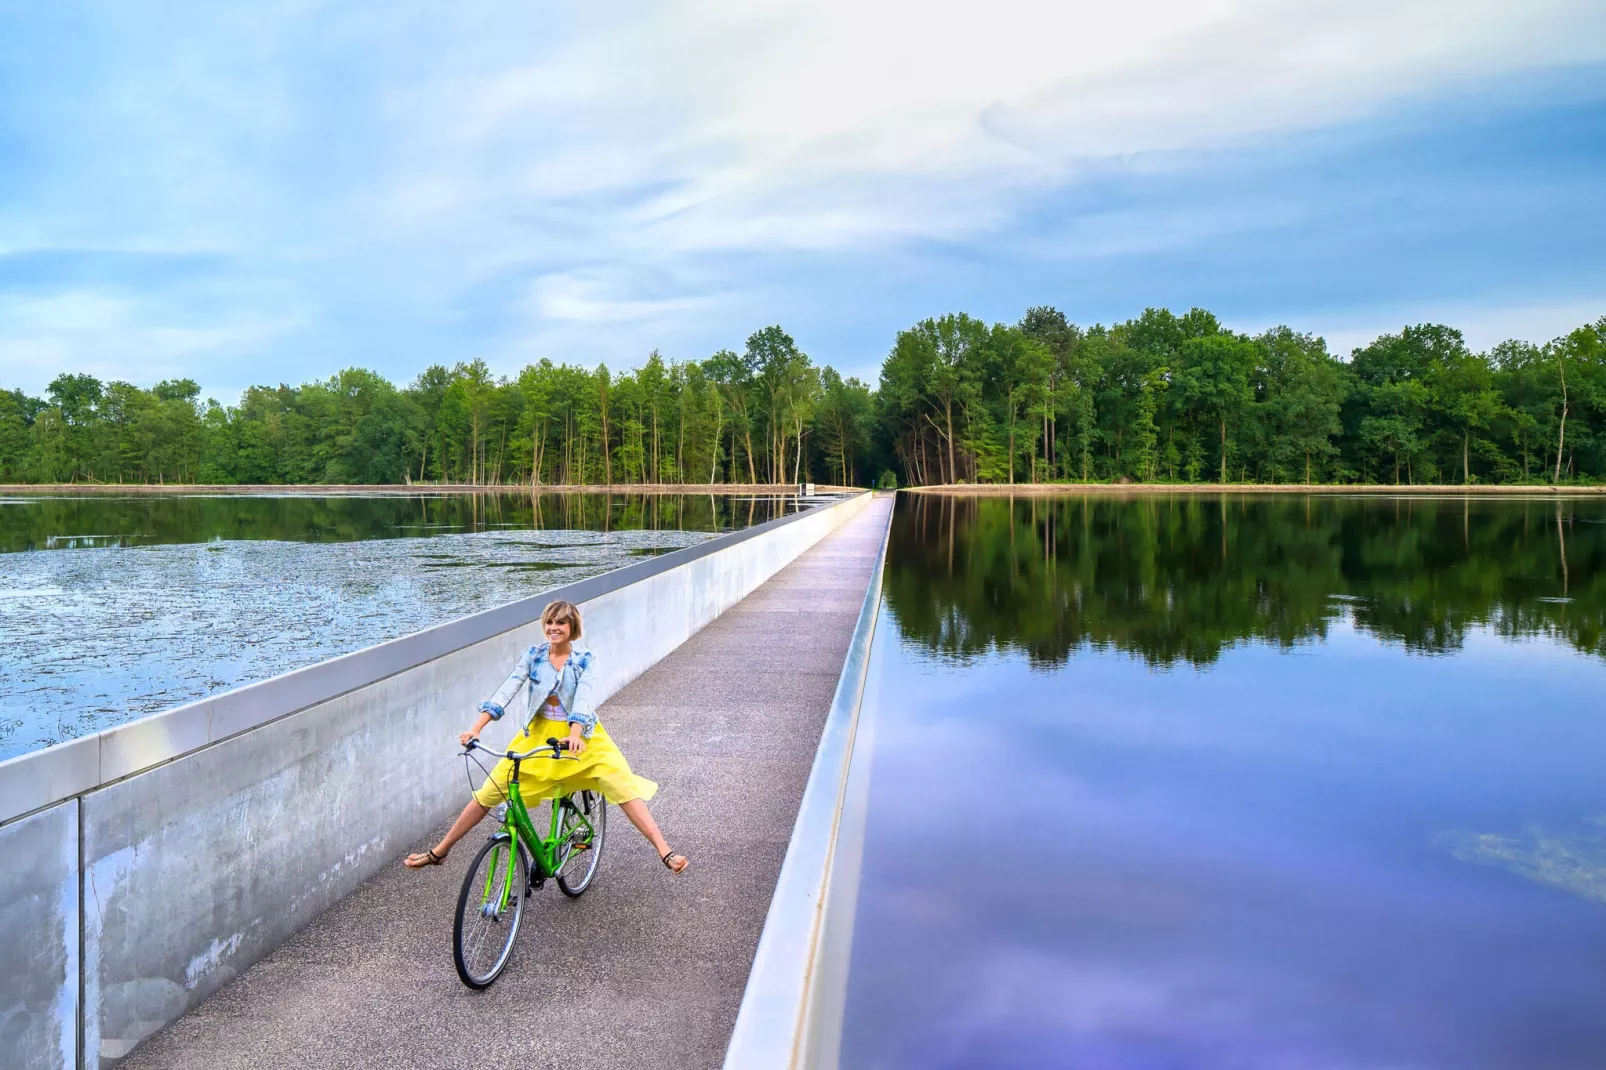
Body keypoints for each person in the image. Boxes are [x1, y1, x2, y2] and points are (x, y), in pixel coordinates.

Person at [405, 599, 689, 874]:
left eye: (561, 623)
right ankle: (440, 851)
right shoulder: (534, 656)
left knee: (622, 785)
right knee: (490, 791)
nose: (554, 628)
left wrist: (575, 733)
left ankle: (665, 851)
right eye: (550, 622)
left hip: (581, 736)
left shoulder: (584, 660)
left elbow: (583, 698)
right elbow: (507, 690)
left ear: (572, 626)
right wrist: (477, 728)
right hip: (538, 734)